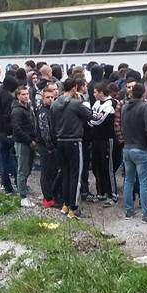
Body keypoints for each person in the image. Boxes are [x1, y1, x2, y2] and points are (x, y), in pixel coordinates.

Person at [52, 78, 90, 219]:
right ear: (74, 88)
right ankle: (74, 208)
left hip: (60, 140)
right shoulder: (76, 104)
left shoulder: (55, 103)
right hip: (74, 141)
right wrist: (82, 100)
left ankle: (65, 204)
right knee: (75, 176)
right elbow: (89, 115)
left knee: (65, 174)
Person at [122, 82, 147, 222]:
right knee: (144, 182)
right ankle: (146, 213)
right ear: (143, 93)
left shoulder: (124, 107)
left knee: (128, 180)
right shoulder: (145, 108)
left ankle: (129, 210)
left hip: (127, 147)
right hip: (142, 148)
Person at [88, 83, 117, 207]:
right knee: (96, 166)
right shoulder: (96, 104)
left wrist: (92, 119)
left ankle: (112, 194)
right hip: (95, 139)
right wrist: (91, 119)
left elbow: (98, 120)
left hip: (106, 139)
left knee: (107, 167)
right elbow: (90, 118)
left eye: (95, 92)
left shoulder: (111, 104)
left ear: (101, 92)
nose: (93, 94)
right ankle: (101, 191)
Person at [0, 75, 19, 194]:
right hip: (8, 132)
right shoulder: (10, 99)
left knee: (3, 158)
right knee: (13, 158)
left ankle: (6, 185)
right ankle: (17, 184)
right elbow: (10, 116)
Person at [11, 86, 37, 208]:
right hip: (23, 143)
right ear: (18, 96)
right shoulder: (17, 110)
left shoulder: (28, 107)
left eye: (27, 94)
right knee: (22, 169)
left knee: (28, 168)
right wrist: (29, 140)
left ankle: (24, 189)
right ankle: (22, 196)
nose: (26, 96)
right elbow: (17, 129)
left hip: (30, 141)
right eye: (23, 94)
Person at [35, 85, 60, 208]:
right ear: (43, 98)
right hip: (46, 147)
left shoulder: (53, 110)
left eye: (52, 97)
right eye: (47, 97)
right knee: (46, 173)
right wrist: (50, 147)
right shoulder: (43, 112)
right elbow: (45, 131)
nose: (50, 99)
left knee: (53, 172)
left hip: (52, 146)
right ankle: (48, 198)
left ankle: (54, 195)